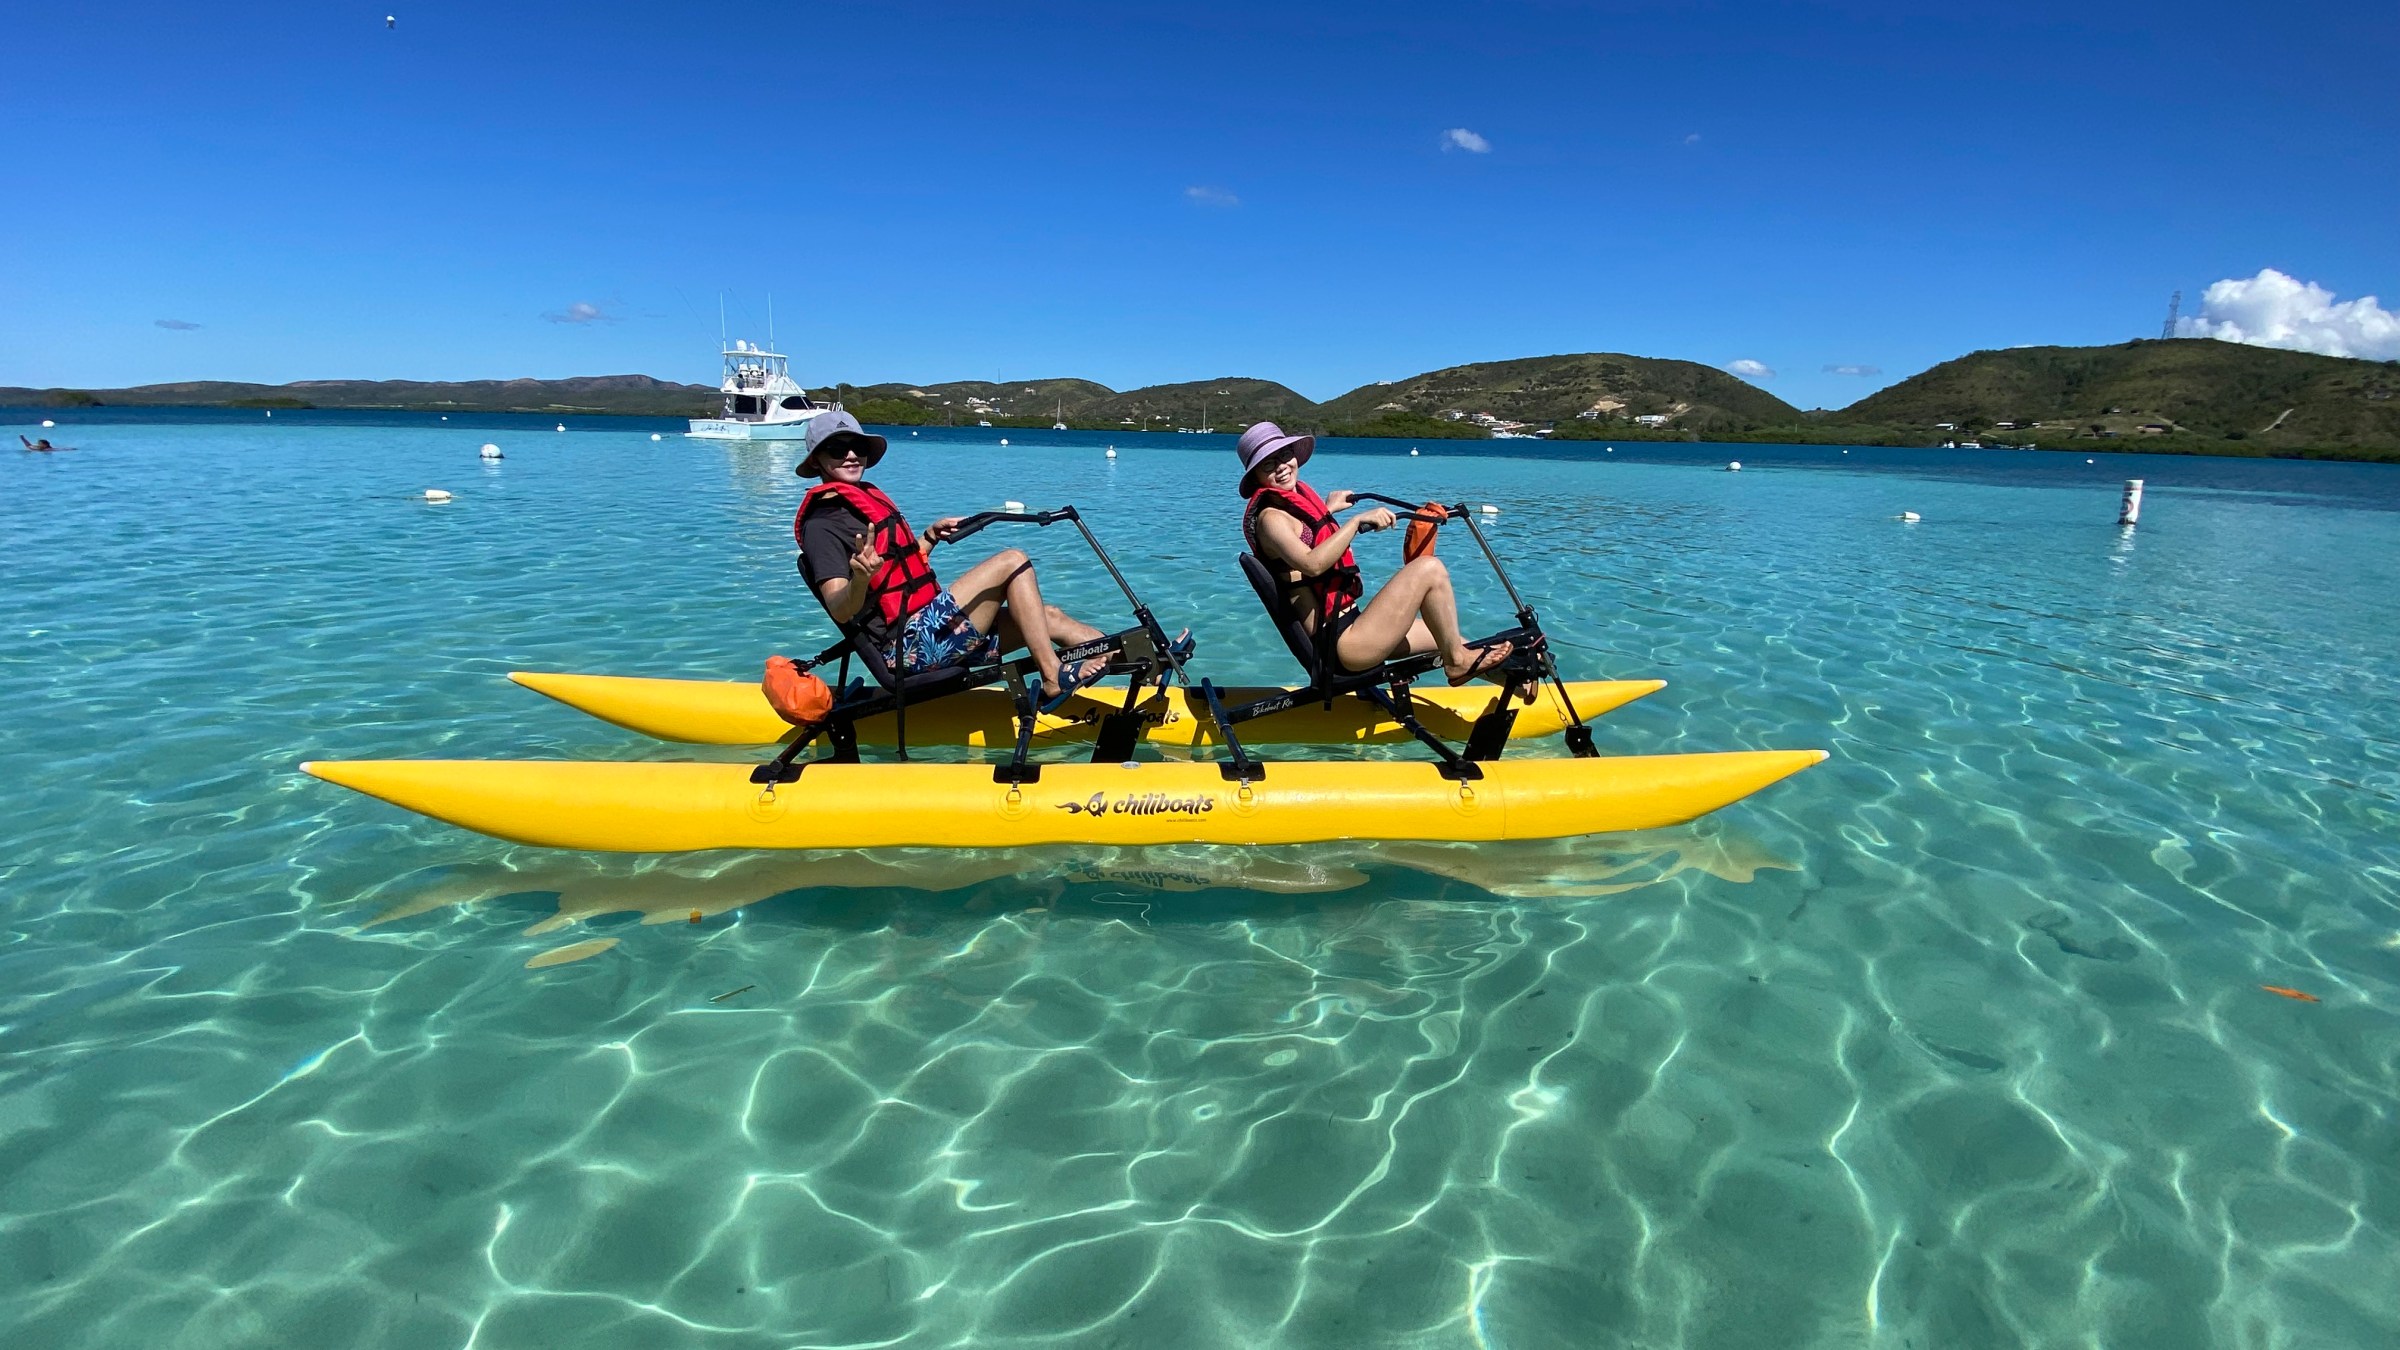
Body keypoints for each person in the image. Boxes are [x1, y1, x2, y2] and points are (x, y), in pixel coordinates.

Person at [793, 410, 1111, 708]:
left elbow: (893, 570)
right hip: (906, 649)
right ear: (817, 460)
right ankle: (1053, 675)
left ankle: (1136, 669)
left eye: (857, 446)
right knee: (1012, 560)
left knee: (1050, 616)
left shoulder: (863, 500)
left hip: (931, 629)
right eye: (837, 448)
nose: (851, 455)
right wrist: (860, 578)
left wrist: (929, 538)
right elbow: (838, 606)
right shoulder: (823, 525)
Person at [1235, 420, 1527, 689]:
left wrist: (1328, 510)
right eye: (1269, 464)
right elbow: (1313, 564)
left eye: (1285, 456)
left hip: (1354, 629)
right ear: (1257, 476)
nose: (1282, 467)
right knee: (1429, 569)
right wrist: (1355, 521)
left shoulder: (1290, 505)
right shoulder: (1270, 519)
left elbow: (1308, 533)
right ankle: (1456, 665)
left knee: (1450, 637)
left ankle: (1519, 685)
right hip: (1342, 647)